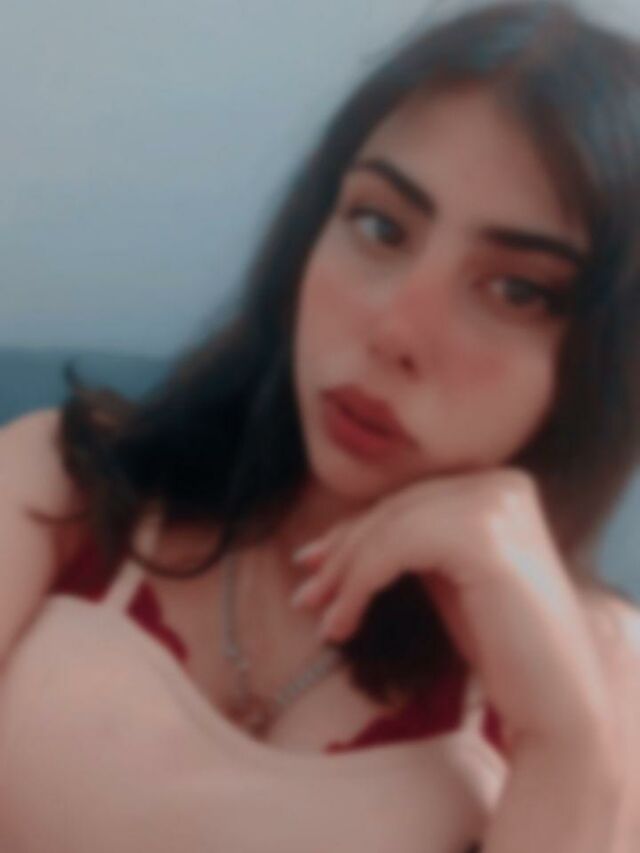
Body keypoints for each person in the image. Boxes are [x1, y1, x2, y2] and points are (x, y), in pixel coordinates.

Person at [0, 0, 639, 850]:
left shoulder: (603, 678)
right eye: (380, 225)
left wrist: (567, 746)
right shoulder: (61, 477)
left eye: (517, 290)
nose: (395, 328)